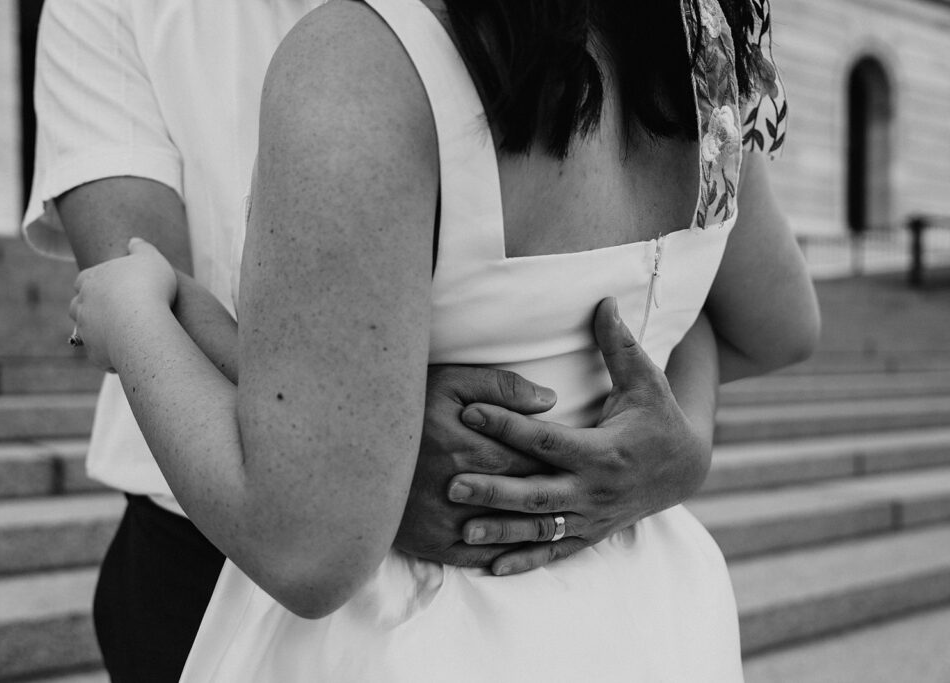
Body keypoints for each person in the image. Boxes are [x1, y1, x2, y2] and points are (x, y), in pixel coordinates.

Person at [70, 0, 819, 679]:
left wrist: (130, 314)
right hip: (649, 618)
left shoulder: (364, 59)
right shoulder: (703, 51)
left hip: (414, 635)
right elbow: (779, 324)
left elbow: (310, 546)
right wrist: (678, 423)